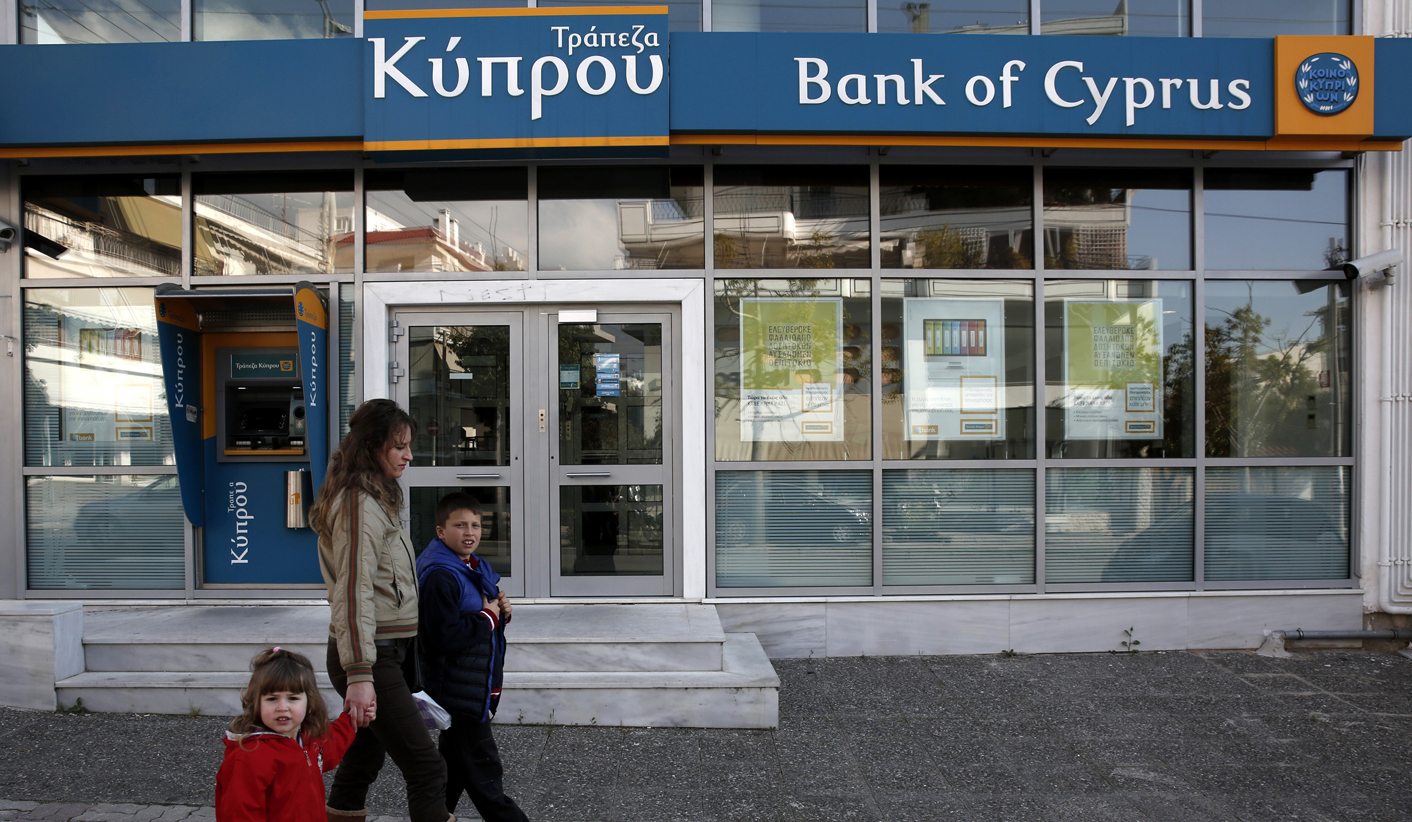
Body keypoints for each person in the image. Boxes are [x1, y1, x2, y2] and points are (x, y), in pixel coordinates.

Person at [308, 398, 450, 822]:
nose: (409, 455)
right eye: (399, 446)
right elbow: (353, 591)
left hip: (387, 650)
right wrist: (360, 674)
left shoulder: (375, 497)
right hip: (371, 654)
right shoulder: (358, 504)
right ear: (372, 447)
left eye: (408, 446)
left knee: (365, 756)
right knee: (426, 766)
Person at [416, 492, 528, 822]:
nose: (470, 532)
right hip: (459, 692)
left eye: (476, 525)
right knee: (485, 775)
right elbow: (443, 637)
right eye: (460, 525)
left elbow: (480, 617)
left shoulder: (470, 567)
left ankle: (433, 815)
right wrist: (489, 616)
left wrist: (499, 613)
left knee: (453, 770)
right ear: (440, 531)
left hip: (473, 686)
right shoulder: (441, 575)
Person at [215, 647, 357, 821]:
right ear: (256, 703)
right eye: (272, 699)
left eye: (293, 698)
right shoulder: (249, 756)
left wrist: (353, 717)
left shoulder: (307, 739)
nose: (282, 707)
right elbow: (238, 814)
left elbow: (332, 744)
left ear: (310, 702)